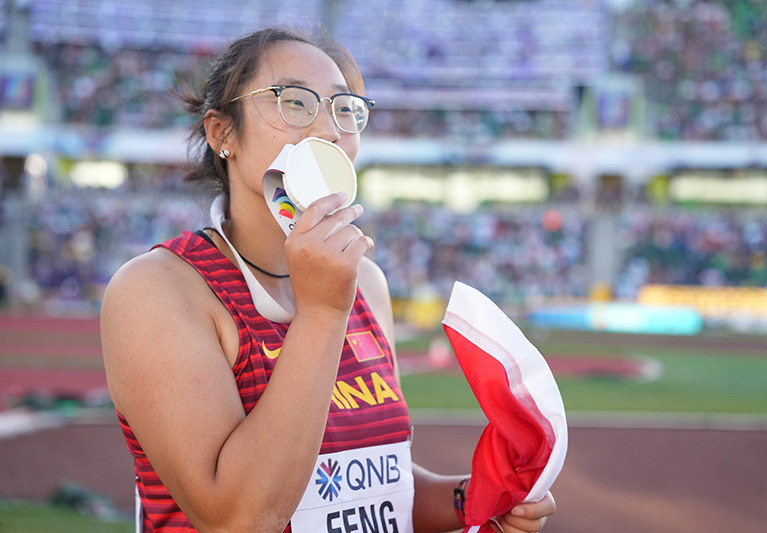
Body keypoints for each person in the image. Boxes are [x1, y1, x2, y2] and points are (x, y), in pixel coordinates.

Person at [101, 26, 556, 533]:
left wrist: (471, 499)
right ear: (221, 132)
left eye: (345, 108)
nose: (328, 129)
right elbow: (237, 518)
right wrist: (321, 313)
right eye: (294, 102)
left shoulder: (366, 282)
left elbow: (381, 487)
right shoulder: (159, 290)